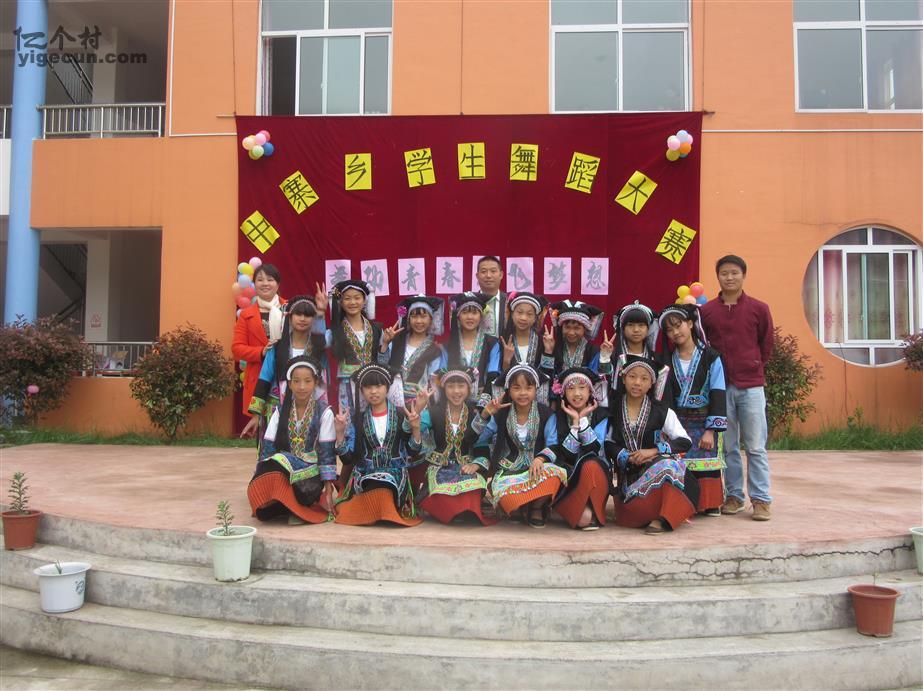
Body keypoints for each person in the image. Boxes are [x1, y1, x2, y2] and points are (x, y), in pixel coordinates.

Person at [700, 254, 774, 521]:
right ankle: (734, 496)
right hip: (721, 389)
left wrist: (754, 365)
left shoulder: (759, 308)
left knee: (755, 446)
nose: (729, 278)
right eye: (724, 273)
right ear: (717, 277)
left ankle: (761, 499)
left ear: (743, 275)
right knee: (728, 447)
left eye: (734, 273)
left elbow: (766, 343)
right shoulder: (707, 312)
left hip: (751, 386)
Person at [606, 355, 697, 535]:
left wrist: (653, 451)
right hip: (628, 484)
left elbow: (684, 441)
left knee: (670, 465)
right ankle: (657, 514)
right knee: (667, 466)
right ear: (623, 379)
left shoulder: (662, 411)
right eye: (632, 376)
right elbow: (607, 442)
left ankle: (662, 518)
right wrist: (626, 456)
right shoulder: (612, 408)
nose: (637, 382)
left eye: (644, 378)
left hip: (655, 467)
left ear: (651, 384)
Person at [471, 364, 566, 528]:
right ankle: (519, 505)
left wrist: (540, 459)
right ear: (509, 390)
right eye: (517, 388)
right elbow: (478, 439)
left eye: (528, 388)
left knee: (555, 474)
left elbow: (553, 444)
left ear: (536, 389)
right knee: (509, 503)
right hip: (509, 469)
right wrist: (485, 414)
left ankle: (536, 507)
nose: (523, 393)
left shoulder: (546, 414)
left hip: (537, 468)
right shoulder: (501, 414)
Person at [247, 357, 337, 525]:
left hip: (309, 479)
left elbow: (327, 454)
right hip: (284, 470)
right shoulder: (280, 411)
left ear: (315, 383)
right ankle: (286, 505)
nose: (302, 386)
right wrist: (260, 478)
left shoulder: (325, 412)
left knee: (279, 459)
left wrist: (328, 491)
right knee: (270, 465)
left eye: (307, 381)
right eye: (296, 381)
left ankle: (296, 506)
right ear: (289, 384)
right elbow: (267, 449)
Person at [333, 364, 425, 527]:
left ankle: (376, 511)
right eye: (368, 387)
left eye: (378, 386)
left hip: (396, 474)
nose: (373, 391)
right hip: (366, 474)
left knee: (385, 485)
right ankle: (378, 511)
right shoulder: (359, 419)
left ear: (387, 387)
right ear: (362, 391)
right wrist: (340, 433)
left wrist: (416, 429)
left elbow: (412, 450)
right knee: (374, 484)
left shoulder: (400, 415)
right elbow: (347, 459)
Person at [659, 303, 728, 516]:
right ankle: (686, 503)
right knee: (681, 462)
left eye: (678, 325)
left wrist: (711, 430)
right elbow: (665, 398)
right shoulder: (666, 361)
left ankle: (710, 503)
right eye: (669, 330)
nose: (675, 332)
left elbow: (718, 392)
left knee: (707, 463)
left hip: (705, 420)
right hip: (679, 422)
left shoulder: (711, 357)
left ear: (690, 324)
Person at [416, 366, 495, 525]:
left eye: (461, 386)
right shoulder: (432, 412)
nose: (456, 391)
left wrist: (476, 465)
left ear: (469, 388)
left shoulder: (476, 414)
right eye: (451, 386)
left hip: (466, 467)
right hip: (439, 467)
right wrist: (416, 414)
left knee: (472, 489)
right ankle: (451, 509)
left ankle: (461, 509)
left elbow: (481, 446)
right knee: (443, 493)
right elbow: (413, 438)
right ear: (444, 388)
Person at [243, 291, 328, 435]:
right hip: (277, 406)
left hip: (309, 407)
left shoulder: (319, 350)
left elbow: (323, 382)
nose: (302, 319)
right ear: (289, 316)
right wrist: (256, 414)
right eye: (298, 314)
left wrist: (320, 312)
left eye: (308, 315)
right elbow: (264, 378)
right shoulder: (276, 347)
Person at [542, 367, 611, 530]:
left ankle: (592, 507)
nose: (577, 394)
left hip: (595, 478)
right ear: (563, 393)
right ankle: (573, 507)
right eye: (571, 389)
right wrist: (575, 423)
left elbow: (594, 450)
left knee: (591, 464)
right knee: (583, 519)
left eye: (582, 388)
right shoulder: (555, 419)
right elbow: (565, 455)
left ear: (590, 391)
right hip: (568, 482)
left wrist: (583, 420)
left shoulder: (602, 418)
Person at [325, 279, 394, 413]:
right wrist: (320, 314)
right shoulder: (335, 330)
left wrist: (385, 343)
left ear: (364, 301)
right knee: (349, 423)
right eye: (347, 298)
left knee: (372, 421)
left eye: (357, 298)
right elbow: (318, 343)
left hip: (372, 386)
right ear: (341, 302)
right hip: (348, 386)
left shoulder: (376, 329)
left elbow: (383, 363)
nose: (352, 302)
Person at [232, 263, 285, 421]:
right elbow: (237, 349)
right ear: (254, 284)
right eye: (260, 280)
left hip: (286, 375)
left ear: (278, 284)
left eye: (270, 279)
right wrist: (261, 352)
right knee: (261, 425)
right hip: (258, 379)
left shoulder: (290, 308)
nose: (265, 283)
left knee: (286, 422)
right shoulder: (246, 315)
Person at [388, 294, 447, 404]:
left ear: (431, 319)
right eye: (414, 316)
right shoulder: (396, 342)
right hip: (392, 402)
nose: (419, 321)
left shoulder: (434, 350)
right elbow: (383, 366)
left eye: (423, 316)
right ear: (408, 319)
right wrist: (384, 343)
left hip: (420, 403)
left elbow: (433, 381)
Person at [444, 291, 499, 403]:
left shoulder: (492, 343)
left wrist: (482, 405)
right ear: (458, 316)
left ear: (481, 316)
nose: (470, 317)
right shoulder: (447, 345)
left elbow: (492, 375)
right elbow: (442, 373)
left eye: (474, 313)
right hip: (454, 400)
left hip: (483, 401)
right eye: (464, 312)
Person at [487, 292, 549, 389]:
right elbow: (496, 377)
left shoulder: (543, 342)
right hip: (510, 392)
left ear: (535, 318)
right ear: (512, 314)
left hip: (536, 392)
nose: (523, 318)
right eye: (519, 312)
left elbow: (547, 374)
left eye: (529, 314)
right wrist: (506, 361)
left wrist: (548, 351)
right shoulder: (502, 341)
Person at [611, 300, 669, 400]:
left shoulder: (656, 359)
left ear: (648, 329)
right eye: (630, 325)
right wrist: (604, 358)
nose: (636, 330)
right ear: (623, 328)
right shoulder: (613, 356)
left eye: (641, 325)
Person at [474, 255, 506, 337]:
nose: (488, 275)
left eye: (493, 271)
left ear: (501, 275)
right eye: (483, 271)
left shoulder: (509, 302)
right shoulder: (470, 302)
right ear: (477, 276)